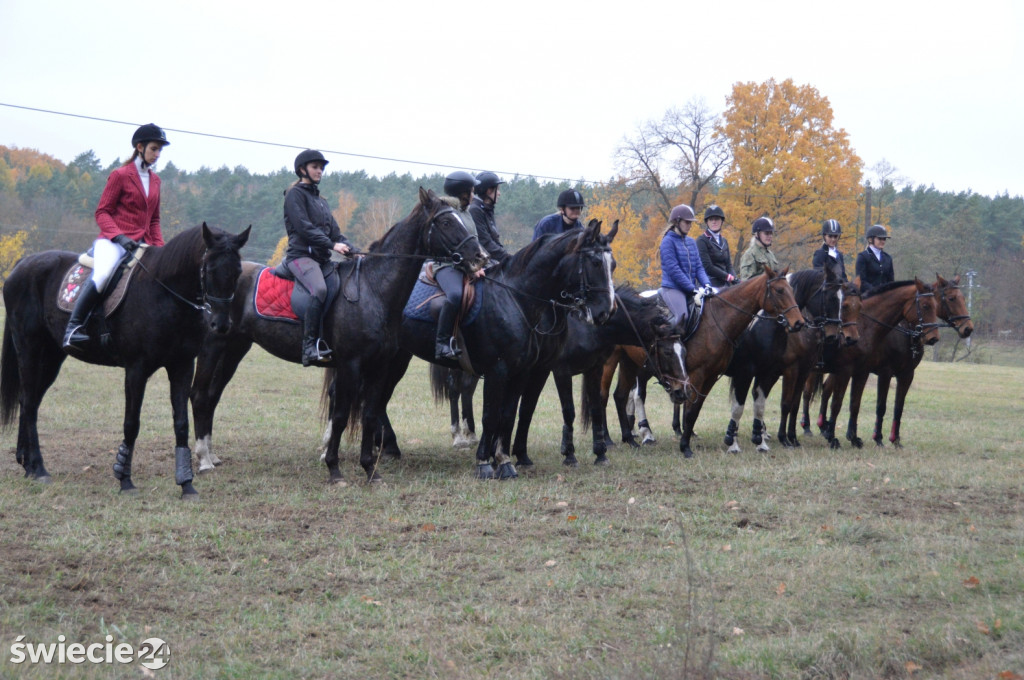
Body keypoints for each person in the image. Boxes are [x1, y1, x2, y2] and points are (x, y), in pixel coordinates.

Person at [63, 123, 170, 349]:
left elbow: (154, 220)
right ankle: (73, 327)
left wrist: (161, 249)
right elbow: (102, 212)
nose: (157, 154)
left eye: (160, 150)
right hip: (114, 241)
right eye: (154, 149)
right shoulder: (120, 175)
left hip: (144, 242)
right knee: (103, 274)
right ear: (139, 147)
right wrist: (119, 237)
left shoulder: (156, 181)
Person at [281, 149, 353, 367]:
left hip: (322, 261)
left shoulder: (321, 201)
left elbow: (335, 232)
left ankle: (328, 340)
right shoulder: (295, 195)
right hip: (300, 257)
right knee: (319, 290)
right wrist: (332, 245)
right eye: (315, 167)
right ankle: (309, 347)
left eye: (321, 167)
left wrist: (350, 247)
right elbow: (304, 228)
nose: (320, 171)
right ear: (302, 170)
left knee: (338, 289)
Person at [433, 171, 486, 360]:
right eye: (472, 191)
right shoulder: (449, 213)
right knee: (455, 295)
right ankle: (442, 342)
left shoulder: (466, 213)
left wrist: (485, 260)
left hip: (469, 264)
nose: (474, 194)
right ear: (463, 193)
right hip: (446, 266)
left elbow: (473, 243)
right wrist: (473, 267)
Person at [659, 204, 712, 325]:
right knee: (683, 315)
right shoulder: (667, 242)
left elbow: (699, 267)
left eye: (690, 223)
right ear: (677, 222)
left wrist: (707, 284)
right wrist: (692, 288)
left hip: (691, 288)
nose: (689, 225)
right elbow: (674, 270)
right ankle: (669, 340)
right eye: (687, 222)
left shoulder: (691, 242)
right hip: (672, 288)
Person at [469, 171, 510, 265]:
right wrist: (507, 258)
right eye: (497, 190)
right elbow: (485, 242)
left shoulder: (487, 209)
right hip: (479, 262)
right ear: (489, 191)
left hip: (490, 259)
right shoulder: (475, 210)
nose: (499, 194)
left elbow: (495, 241)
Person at [695, 204, 736, 290]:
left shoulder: (724, 241)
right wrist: (728, 277)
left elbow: (729, 265)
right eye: (711, 219)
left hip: (725, 283)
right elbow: (708, 267)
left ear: (721, 221)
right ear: (707, 222)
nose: (714, 222)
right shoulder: (701, 240)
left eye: (717, 219)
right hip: (710, 282)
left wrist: (735, 278)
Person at [855, 224, 895, 294]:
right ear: (871, 239)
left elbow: (891, 281)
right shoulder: (863, 257)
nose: (883, 241)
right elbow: (862, 281)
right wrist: (876, 291)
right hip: (868, 296)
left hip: (885, 297)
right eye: (880, 238)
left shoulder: (888, 258)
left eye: (884, 239)